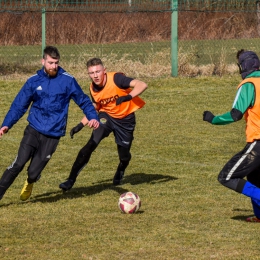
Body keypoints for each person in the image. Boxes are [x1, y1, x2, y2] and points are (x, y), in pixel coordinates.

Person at [0, 46, 99, 201]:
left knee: (33, 172)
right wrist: (6, 124)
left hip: (53, 134)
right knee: (18, 164)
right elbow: (19, 105)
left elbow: (84, 101)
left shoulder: (68, 80)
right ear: (43, 61)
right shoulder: (33, 81)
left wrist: (93, 117)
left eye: (56, 63)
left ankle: (31, 181)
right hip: (33, 129)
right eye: (51, 63)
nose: (54, 66)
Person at [59, 57, 147, 191]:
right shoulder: (92, 88)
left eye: (98, 71)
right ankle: (70, 180)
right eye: (92, 73)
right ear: (88, 74)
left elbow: (142, 84)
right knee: (90, 144)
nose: (95, 75)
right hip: (106, 117)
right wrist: (80, 125)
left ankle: (121, 168)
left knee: (124, 155)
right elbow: (95, 107)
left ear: (104, 71)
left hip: (125, 120)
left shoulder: (116, 79)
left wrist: (128, 97)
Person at [203, 49, 260, 222]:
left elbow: (235, 114)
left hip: (257, 142)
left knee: (227, 176)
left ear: (242, 67)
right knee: (255, 177)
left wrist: (214, 119)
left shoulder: (249, 85)